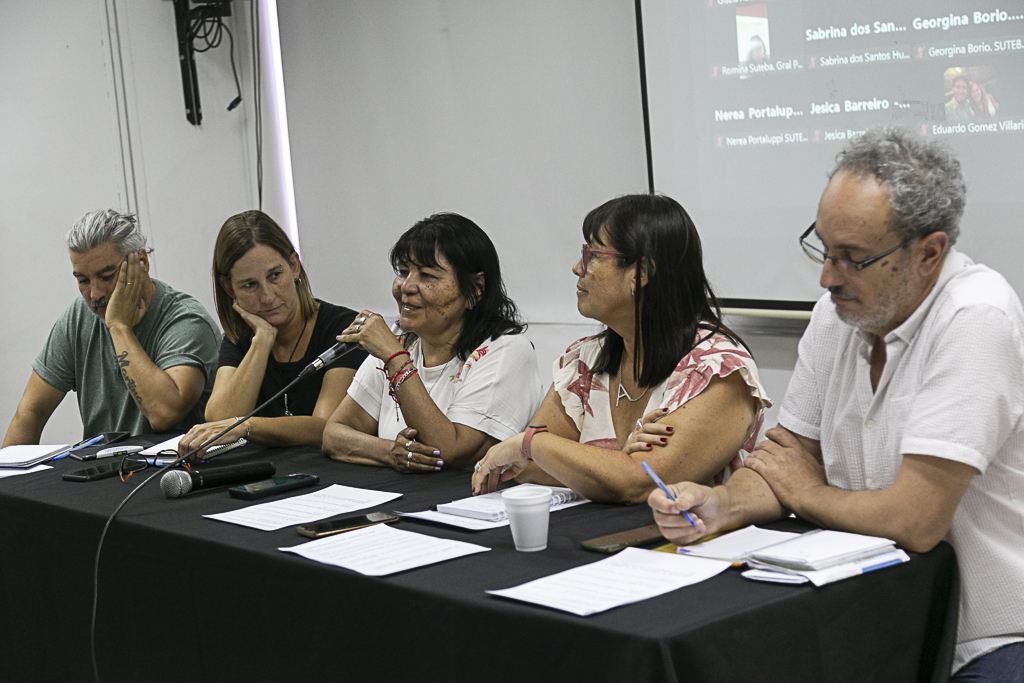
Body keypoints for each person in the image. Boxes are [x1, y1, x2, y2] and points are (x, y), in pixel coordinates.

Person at [648, 127, 1024, 680]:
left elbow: (914, 520)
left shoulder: (976, 318)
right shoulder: (839, 313)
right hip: (875, 620)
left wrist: (808, 493)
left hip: (985, 637)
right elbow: (786, 456)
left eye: (852, 259)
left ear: (929, 253)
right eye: (823, 248)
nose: (827, 277)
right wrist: (721, 504)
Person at [471, 195, 771, 504]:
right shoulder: (585, 361)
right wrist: (612, 463)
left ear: (640, 273)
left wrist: (535, 444)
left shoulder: (718, 368)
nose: (577, 267)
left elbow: (639, 484)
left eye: (592, 254)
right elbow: (529, 469)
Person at [322, 213, 543, 472]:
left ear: (475, 288)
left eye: (427, 275)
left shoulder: (506, 350)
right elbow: (334, 435)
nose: (407, 287)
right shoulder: (401, 342)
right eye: (403, 272)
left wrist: (395, 358)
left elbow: (448, 451)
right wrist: (390, 452)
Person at [2, 209, 219, 446]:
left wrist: (118, 326)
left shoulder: (186, 320)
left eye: (106, 276)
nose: (95, 293)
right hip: (102, 465)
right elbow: (30, 413)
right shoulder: (79, 317)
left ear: (142, 261)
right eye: (83, 280)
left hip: (171, 466)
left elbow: (164, 414)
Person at [177, 211, 367, 455]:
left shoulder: (343, 328)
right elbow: (219, 421)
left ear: (294, 266)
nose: (267, 297)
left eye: (275, 276)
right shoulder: (242, 337)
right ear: (229, 288)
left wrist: (247, 426)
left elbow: (326, 428)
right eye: (250, 285)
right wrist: (262, 341)